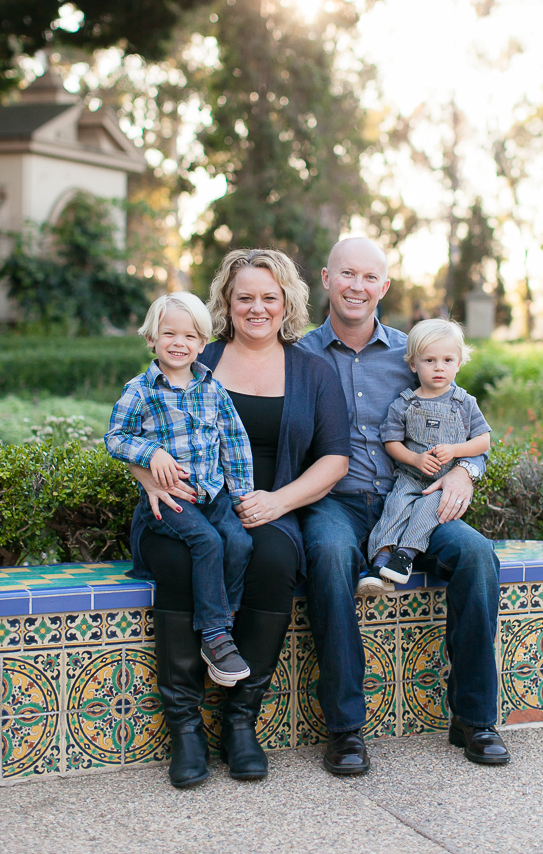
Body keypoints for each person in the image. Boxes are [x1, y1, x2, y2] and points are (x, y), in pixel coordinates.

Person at [128, 250, 350, 788]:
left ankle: (239, 721)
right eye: (245, 296)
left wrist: (279, 502)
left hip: (268, 506)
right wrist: (149, 478)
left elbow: (335, 458)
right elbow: (138, 427)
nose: (257, 308)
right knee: (182, 558)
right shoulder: (196, 355)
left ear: (286, 303)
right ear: (227, 302)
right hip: (179, 504)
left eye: (269, 297)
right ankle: (184, 729)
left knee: (274, 558)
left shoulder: (312, 371)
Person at [298, 236, 509, 774]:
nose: (357, 287)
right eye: (348, 274)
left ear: (384, 287)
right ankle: (345, 730)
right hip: (334, 503)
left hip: (412, 498)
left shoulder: (413, 351)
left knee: (477, 556)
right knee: (326, 558)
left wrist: (466, 469)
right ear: (326, 278)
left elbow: (467, 426)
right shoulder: (296, 355)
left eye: (370, 278)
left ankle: (476, 718)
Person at [105, 292, 253, 687]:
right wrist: (150, 452)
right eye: (168, 333)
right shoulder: (140, 390)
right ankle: (216, 636)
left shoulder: (212, 389)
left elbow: (234, 443)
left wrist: (241, 494)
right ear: (151, 338)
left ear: (202, 344)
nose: (178, 343)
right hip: (170, 498)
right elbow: (115, 438)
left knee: (239, 544)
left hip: (212, 495)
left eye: (189, 336)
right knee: (207, 542)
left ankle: (225, 621)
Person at [362, 318, 491, 589]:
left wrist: (456, 450)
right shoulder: (404, 403)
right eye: (429, 360)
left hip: (440, 484)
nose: (439, 368)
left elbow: (483, 441)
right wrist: (414, 459)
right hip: (410, 476)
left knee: (426, 513)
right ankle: (379, 563)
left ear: (459, 363)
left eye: (447, 360)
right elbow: (391, 442)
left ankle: (404, 557)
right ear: (413, 364)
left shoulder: (465, 403)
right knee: (394, 509)